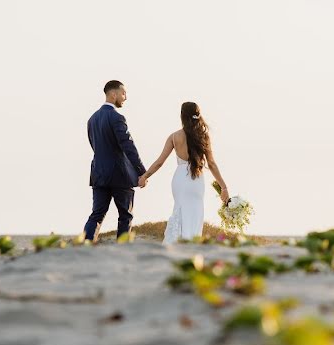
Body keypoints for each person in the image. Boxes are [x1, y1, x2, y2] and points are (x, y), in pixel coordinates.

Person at [138, 102, 230, 244]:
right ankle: (192, 243)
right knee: (195, 212)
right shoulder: (204, 136)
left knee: (180, 210)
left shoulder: (174, 136)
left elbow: (159, 162)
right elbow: (211, 164)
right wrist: (223, 187)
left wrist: (145, 176)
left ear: (182, 116)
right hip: (197, 180)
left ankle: (177, 243)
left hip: (180, 179)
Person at [83, 80, 146, 241]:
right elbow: (128, 146)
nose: (125, 97)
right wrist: (142, 172)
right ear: (113, 94)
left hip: (99, 174)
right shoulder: (117, 117)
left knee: (97, 214)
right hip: (120, 174)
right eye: (123, 93)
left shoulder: (92, 119)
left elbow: (94, 145)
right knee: (125, 215)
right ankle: (122, 249)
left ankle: (85, 246)